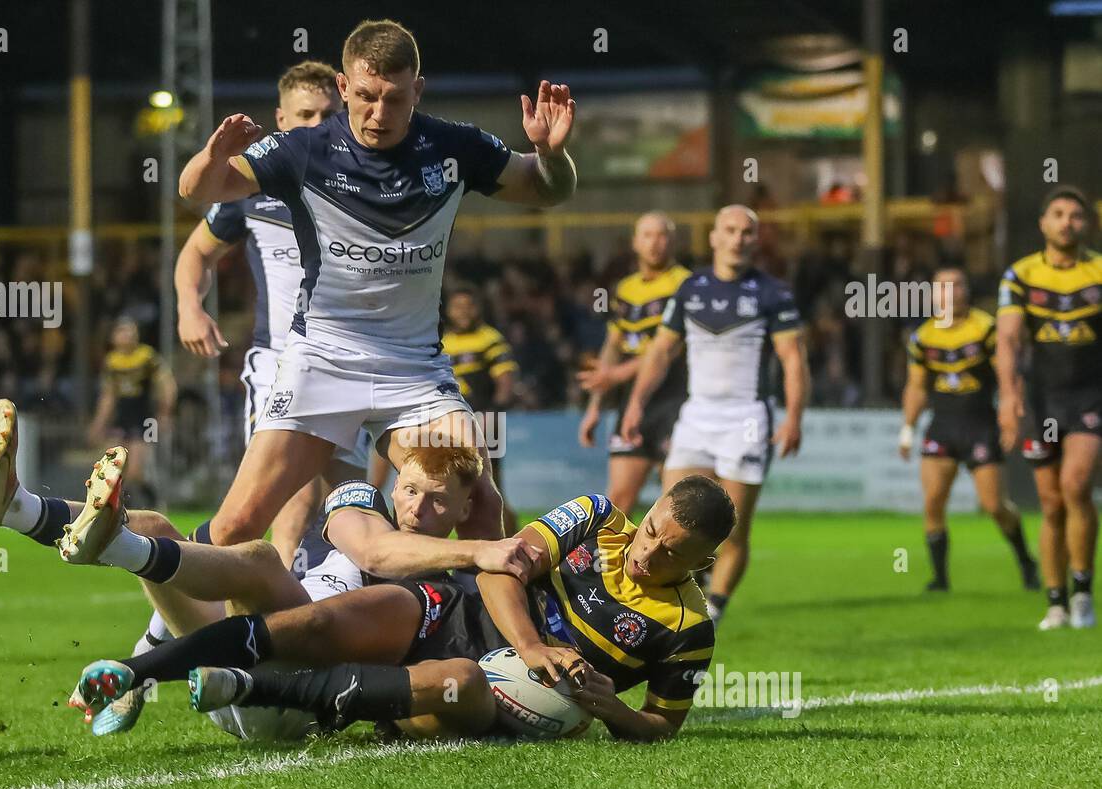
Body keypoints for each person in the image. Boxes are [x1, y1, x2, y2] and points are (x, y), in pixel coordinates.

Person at [176, 17, 578, 552]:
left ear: (418, 89)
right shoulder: (305, 149)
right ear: (343, 87)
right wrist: (210, 154)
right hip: (321, 359)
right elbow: (195, 189)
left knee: (481, 505)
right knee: (237, 526)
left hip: (412, 372)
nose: (378, 113)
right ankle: (204, 624)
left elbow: (546, 192)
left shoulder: (454, 148)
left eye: (394, 98)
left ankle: (483, 636)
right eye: (365, 96)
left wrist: (551, 156)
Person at [70, 476, 735, 743]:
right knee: (323, 620)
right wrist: (534, 643)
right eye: (651, 530)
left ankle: (248, 684)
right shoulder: (595, 516)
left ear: (701, 564)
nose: (647, 554)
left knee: (460, 680)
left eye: (671, 554)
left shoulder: (688, 629)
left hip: (507, 692)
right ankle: (141, 671)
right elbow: (502, 565)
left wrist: (609, 707)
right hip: (457, 611)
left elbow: (659, 725)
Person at [52, 440, 538, 738]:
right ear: (392, 487)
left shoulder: (450, 587)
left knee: (258, 558)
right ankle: (22, 509)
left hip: (295, 694)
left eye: (437, 501)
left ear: (462, 509)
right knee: (159, 526)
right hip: (224, 672)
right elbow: (370, 546)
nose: (417, 509)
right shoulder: (357, 514)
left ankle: (116, 554)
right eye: (410, 491)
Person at [175, 60, 371, 568]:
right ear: (281, 119)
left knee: (354, 499)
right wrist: (189, 307)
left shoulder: (366, 180)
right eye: (304, 113)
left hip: (353, 363)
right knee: (292, 492)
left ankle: (348, 616)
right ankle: (268, 618)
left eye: (328, 112)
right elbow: (196, 252)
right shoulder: (255, 188)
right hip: (281, 361)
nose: (317, 123)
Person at [620, 205, 810, 627]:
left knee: (733, 529)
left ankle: (713, 610)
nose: (738, 239)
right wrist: (635, 403)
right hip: (696, 416)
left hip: (747, 419)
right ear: (714, 237)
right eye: (730, 230)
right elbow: (662, 351)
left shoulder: (772, 292)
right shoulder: (691, 288)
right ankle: (665, 603)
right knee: (667, 521)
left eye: (747, 232)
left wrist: (794, 417)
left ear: (755, 240)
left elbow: (793, 359)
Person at [996, 185, 1102, 630]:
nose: (1066, 222)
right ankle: (1056, 601)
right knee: (1051, 502)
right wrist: (1009, 393)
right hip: (1042, 402)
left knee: (1076, 484)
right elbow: (1007, 338)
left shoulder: (1098, 271)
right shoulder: (1020, 276)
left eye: (1075, 215)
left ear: (1086, 224)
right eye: (1058, 214)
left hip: (1089, 397)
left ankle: (1082, 592)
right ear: (1043, 223)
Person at [900, 266, 1038, 591]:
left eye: (956, 285)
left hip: (980, 426)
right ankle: (940, 579)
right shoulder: (923, 337)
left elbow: (1007, 375)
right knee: (933, 501)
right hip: (942, 426)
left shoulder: (986, 329)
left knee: (994, 506)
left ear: (966, 290)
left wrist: (1010, 412)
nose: (950, 292)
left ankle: (1025, 559)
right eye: (943, 287)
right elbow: (916, 387)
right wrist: (907, 429)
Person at [578, 211, 692, 514]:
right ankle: (614, 562)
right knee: (618, 500)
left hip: (678, 398)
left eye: (662, 235)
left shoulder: (686, 285)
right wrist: (594, 408)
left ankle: (698, 561)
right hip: (635, 404)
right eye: (648, 235)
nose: (655, 243)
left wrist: (616, 375)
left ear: (673, 241)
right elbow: (613, 345)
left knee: (680, 504)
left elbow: (671, 348)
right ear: (635, 243)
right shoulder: (626, 289)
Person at [438, 285, 518, 532]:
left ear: (478, 309)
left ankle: (511, 537)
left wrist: (496, 409)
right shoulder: (442, 342)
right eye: (457, 307)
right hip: (449, 421)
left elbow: (505, 378)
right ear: (448, 311)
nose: (463, 312)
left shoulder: (489, 337)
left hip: (485, 418)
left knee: (491, 484)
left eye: (468, 306)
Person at [87, 319, 176, 509]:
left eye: (130, 331)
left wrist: (165, 413)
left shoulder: (147, 356)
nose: (127, 335)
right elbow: (108, 396)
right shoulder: (112, 362)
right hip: (122, 420)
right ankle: (121, 507)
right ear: (113, 337)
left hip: (146, 419)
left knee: (137, 470)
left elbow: (166, 384)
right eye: (121, 331)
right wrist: (99, 424)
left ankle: (154, 499)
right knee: (116, 468)